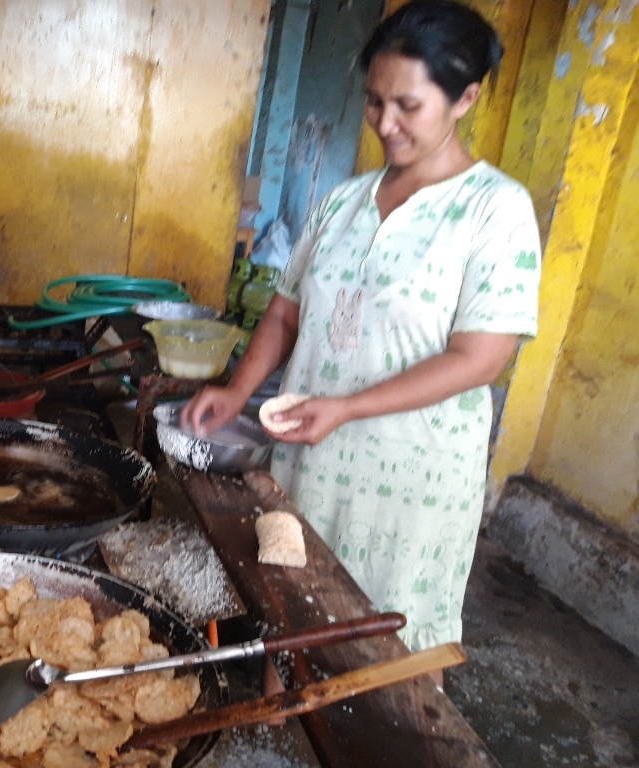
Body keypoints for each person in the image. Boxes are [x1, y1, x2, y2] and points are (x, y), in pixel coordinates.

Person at [182, 0, 541, 657]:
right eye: (375, 102)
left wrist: (349, 407)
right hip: (310, 453)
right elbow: (288, 311)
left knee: (394, 640)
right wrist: (237, 391)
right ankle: (280, 745)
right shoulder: (344, 200)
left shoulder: (495, 211)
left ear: (465, 97)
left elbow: (480, 358)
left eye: (408, 105)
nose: (385, 123)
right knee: (288, 605)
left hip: (410, 478)